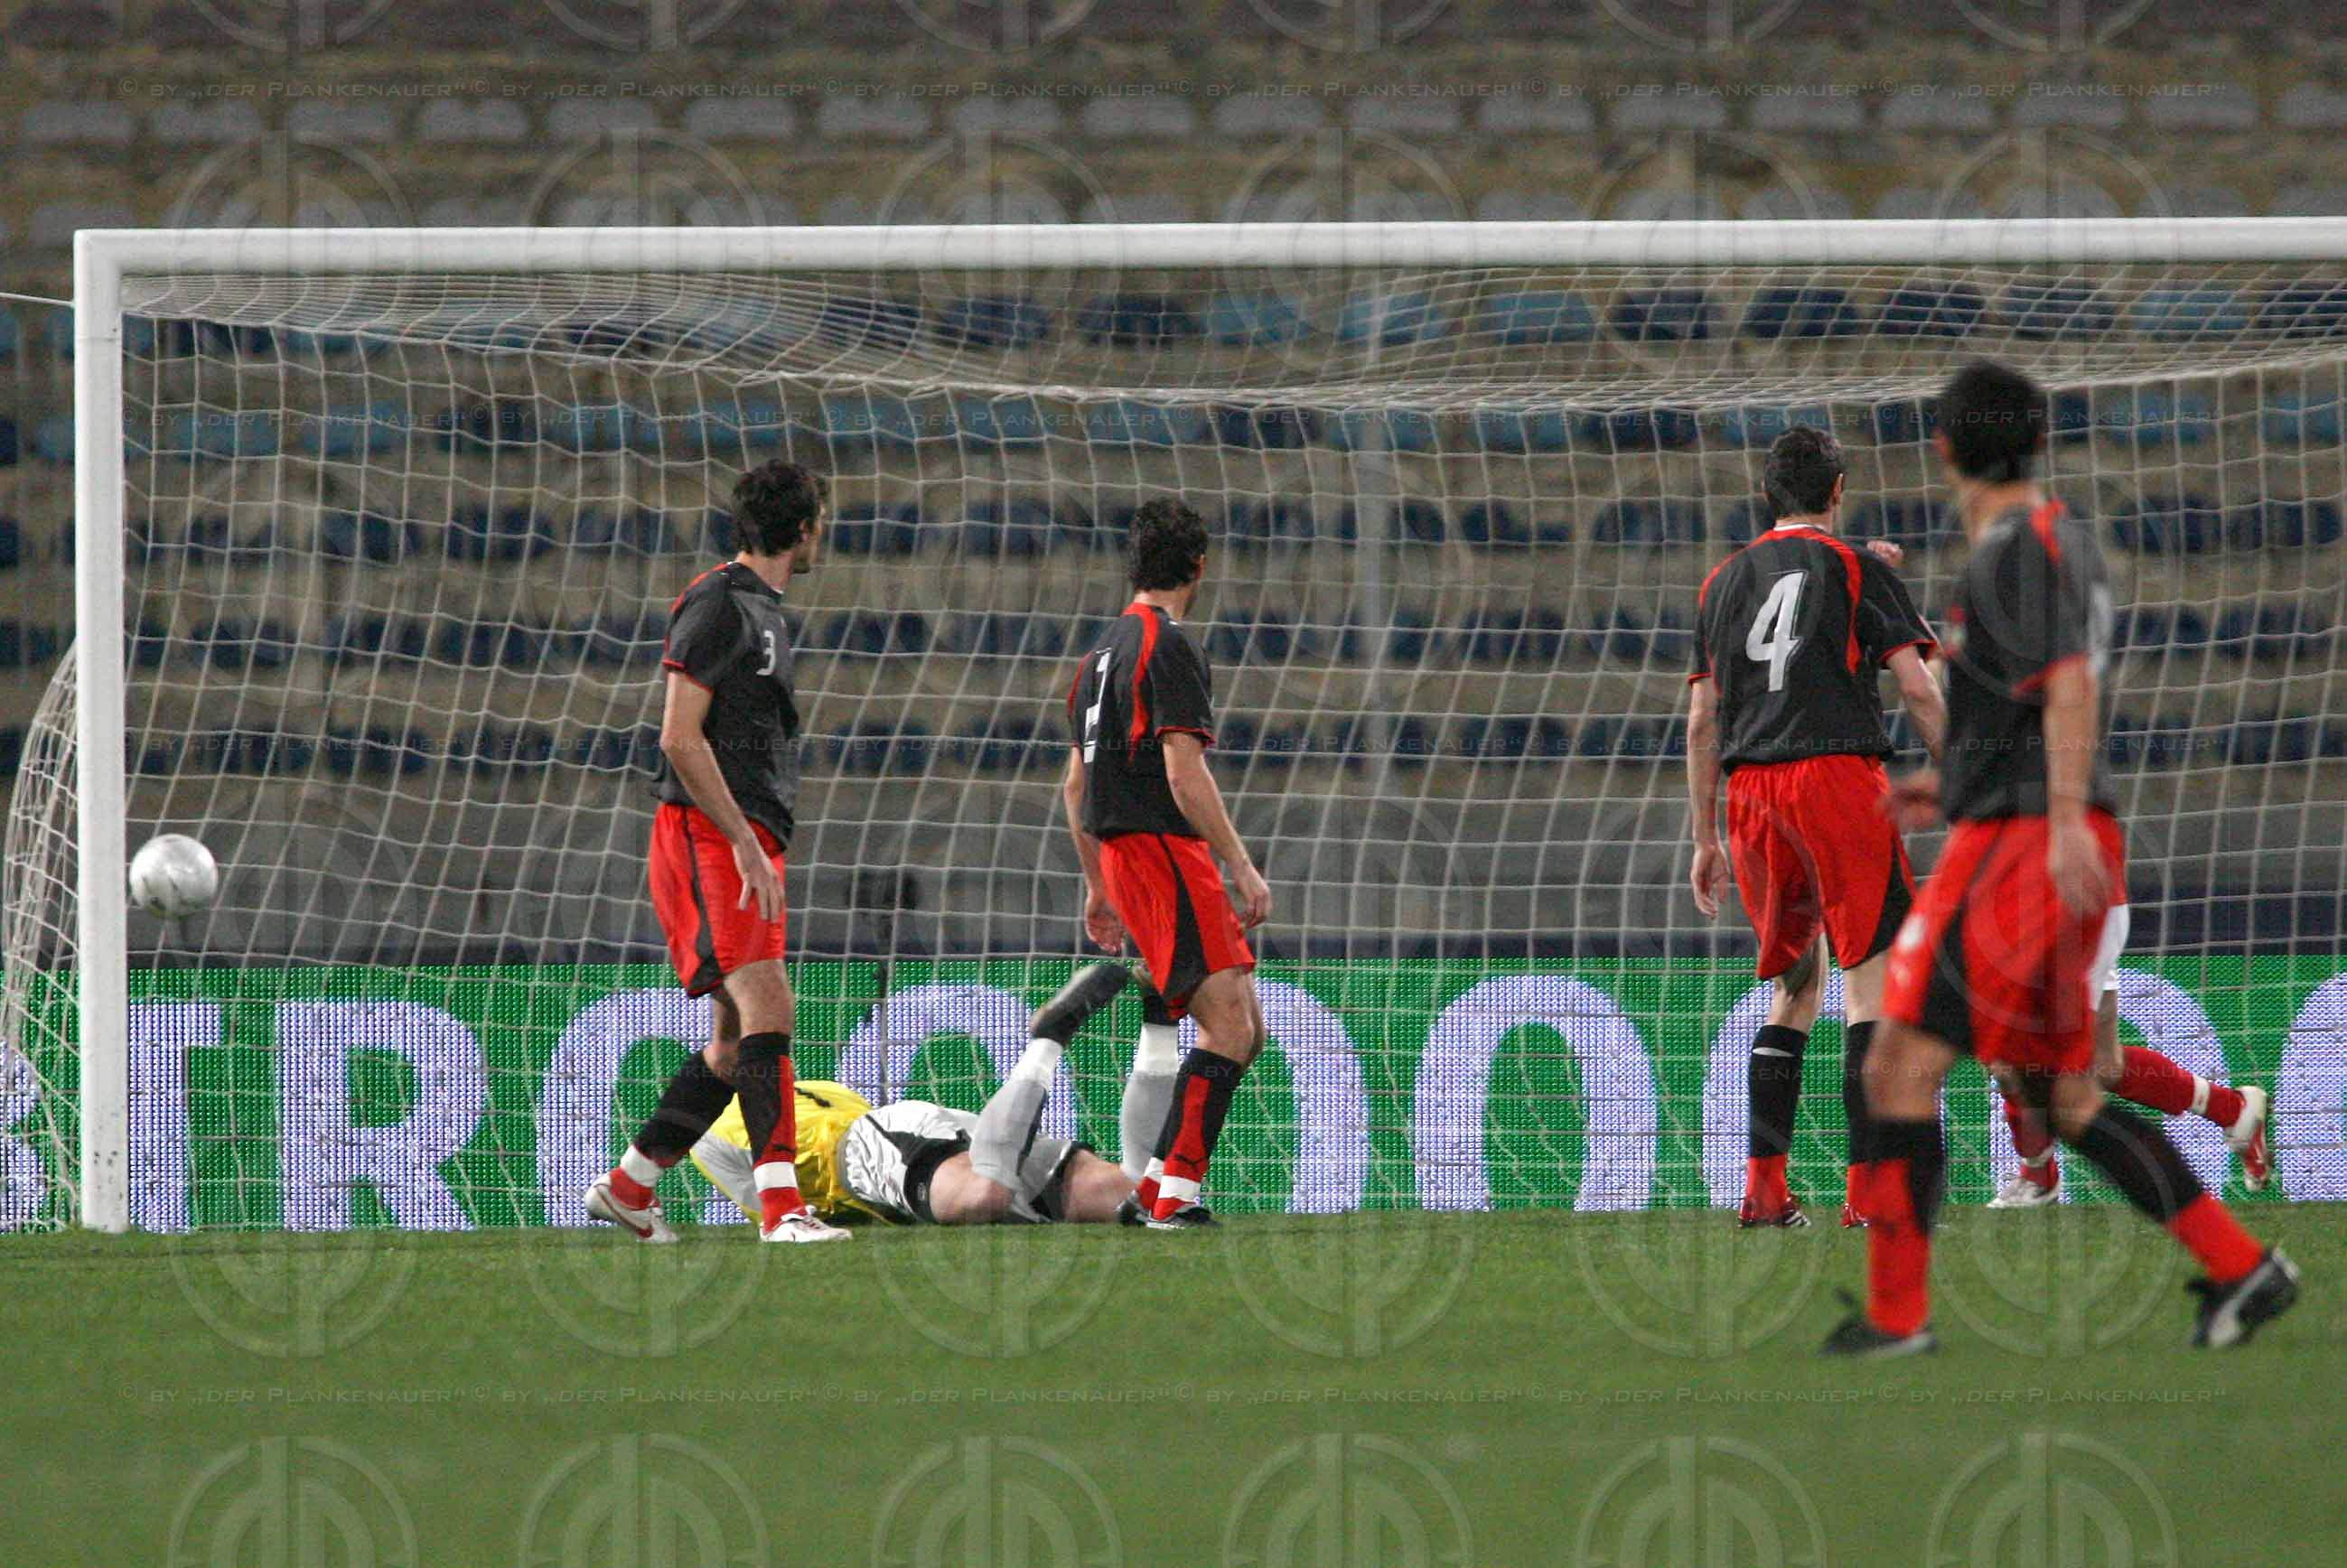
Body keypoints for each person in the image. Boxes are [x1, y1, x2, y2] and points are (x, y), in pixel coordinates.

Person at [1828, 360, 2299, 1356]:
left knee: (1899, 1063)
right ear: (2037, 441)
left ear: (1945, 447)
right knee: (2071, 1090)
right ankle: (2241, 1264)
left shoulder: (2017, 547)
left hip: (2023, 845)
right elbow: (2025, 703)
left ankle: (1896, 1317)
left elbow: (2072, 685)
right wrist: (1947, 786)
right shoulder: (2053, 541)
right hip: (2025, 825)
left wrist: (2069, 815)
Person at [583, 460, 848, 1245]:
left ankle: (629, 1187)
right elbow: (677, 735)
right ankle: (782, 1212)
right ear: (804, 529)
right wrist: (743, 843)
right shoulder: (720, 603)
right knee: (771, 1007)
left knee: (735, 1044)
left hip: (742, 836)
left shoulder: (759, 609)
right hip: (714, 837)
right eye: (820, 521)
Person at [1688, 425, 1947, 1228]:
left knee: (1796, 987)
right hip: (1836, 778)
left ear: (1769, 497)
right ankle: (1870, 1196)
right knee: (1869, 983)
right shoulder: (1856, 566)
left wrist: (1705, 838)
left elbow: (1702, 719)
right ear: (1838, 491)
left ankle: (1765, 1190)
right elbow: (1919, 688)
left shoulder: (1721, 582)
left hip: (1751, 792)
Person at [1061, 498, 1269, 1228]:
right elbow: (1185, 774)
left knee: (1246, 1024)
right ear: (1199, 566)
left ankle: (1155, 1188)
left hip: (1123, 854)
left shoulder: (1098, 658)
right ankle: (1171, 1198)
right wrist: (1241, 863)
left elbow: (1075, 786)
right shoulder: (1169, 646)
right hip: (1161, 848)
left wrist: (1096, 884)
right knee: (1229, 1029)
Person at [692, 966, 1137, 1226]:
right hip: (913, 1128)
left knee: (984, 1196)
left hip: (867, 1153)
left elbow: (777, 1209)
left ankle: (1045, 1043)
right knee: (1131, 1196)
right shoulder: (802, 1088)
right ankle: (1160, 1014)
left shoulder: (710, 1131)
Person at [1989, 895, 2271, 1207]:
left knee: (2012, 1057)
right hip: (2028, 908)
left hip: (2066, 909)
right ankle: (2232, 1109)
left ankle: (2038, 1177)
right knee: (2102, 1064)